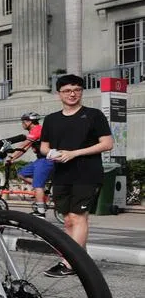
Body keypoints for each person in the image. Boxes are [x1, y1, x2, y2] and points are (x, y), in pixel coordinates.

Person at [40, 74, 113, 276]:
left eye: (77, 90)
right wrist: (53, 153)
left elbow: (107, 144)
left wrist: (74, 153)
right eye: (67, 91)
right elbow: (44, 147)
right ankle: (83, 261)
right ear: (59, 94)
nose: (72, 94)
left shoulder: (93, 115)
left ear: (81, 92)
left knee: (78, 217)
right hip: (62, 173)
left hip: (87, 173)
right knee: (68, 221)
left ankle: (69, 262)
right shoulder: (51, 119)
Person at [7, 112, 53, 216]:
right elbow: (24, 149)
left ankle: (40, 212)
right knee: (21, 174)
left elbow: (23, 144)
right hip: (39, 160)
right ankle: (42, 188)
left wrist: (10, 156)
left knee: (37, 185)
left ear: (29, 122)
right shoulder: (33, 132)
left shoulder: (37, 129)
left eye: (23, 121)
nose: (22, 124)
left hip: (46, 160)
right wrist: (12, 158)